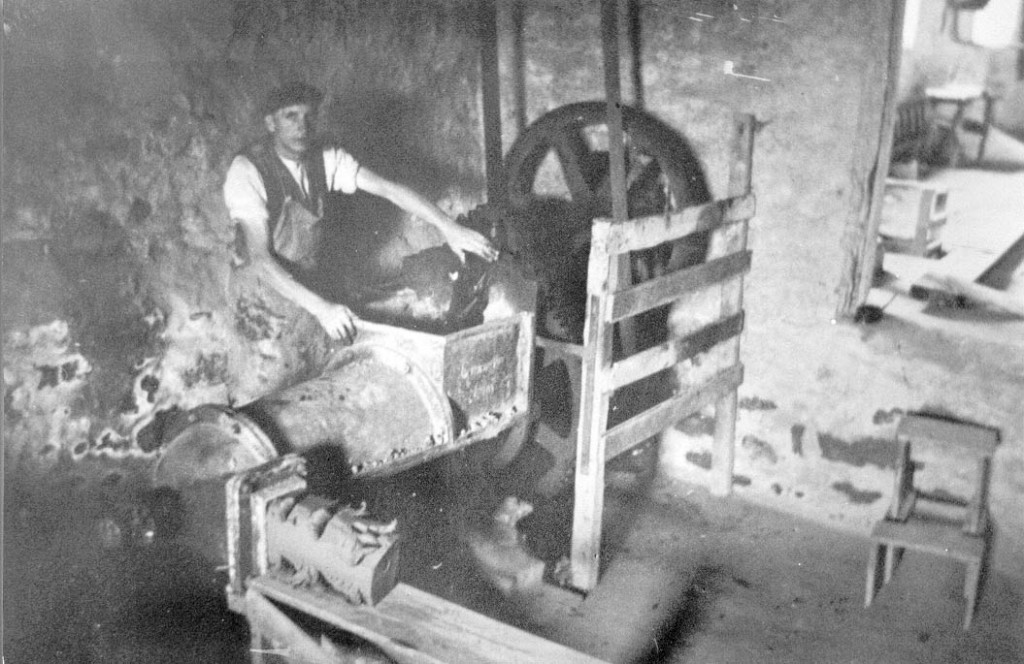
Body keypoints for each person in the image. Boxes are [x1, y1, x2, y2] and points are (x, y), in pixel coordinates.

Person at [223, 82, 497, 343]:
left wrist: (449, 228)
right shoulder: (249, 169)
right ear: (270, 123)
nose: (301, 126)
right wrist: (322, 309)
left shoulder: (324, 157)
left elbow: (389, 189)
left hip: (307, 299)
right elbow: (259, 258)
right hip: (262, 306)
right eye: (290, 116)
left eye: (308, 116)